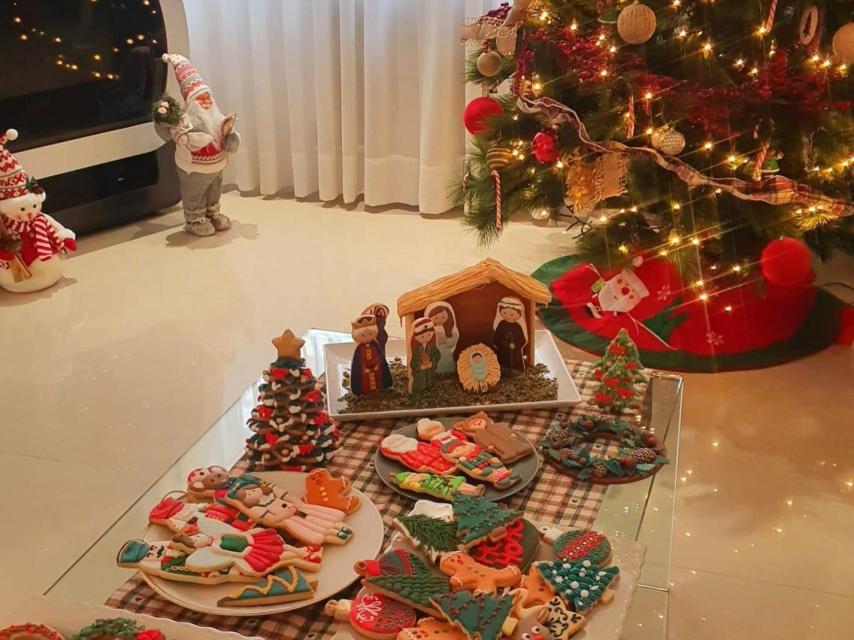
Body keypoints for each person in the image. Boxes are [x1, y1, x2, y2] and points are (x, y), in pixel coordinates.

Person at [350, 314, 392, 394]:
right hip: (364, 372)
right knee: (366, 383)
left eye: (370, 334)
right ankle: (365, 392)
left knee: (377, 380)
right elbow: (357, 363)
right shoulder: (359, 349)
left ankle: (379, 389)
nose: (367, 337)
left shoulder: (375, 345)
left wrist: (377, 364)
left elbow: (380, 357)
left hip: (376, 370)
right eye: (363, 335)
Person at [492, 296, 528, 373]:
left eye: (512, 314)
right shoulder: (501, 324)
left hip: (515, 351)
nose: (508, 316)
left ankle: (516, 370)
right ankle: (503, 369)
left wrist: (515, 345)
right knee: (503, 359)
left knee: (515, 359)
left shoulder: (517, 327)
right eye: (505, 313)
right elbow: (496, 337)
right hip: (503, 349)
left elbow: (522, 339)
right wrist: (503, 343)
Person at [425, 301, 460, 374]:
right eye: (436, 318)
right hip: (436, 352)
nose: (440, 319)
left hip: (446, 351)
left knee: (446, 361)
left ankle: (448, 372)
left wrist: (447, 341)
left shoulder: (450, 330)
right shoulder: (430, 331)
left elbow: (453, 341)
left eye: (443, 317)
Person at [409, 317, 441, 394]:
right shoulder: (417, 350)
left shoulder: (432, 347)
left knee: (431, 381)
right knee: (419, 383)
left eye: (429, 334)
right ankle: (419, 391)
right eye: (422, 336)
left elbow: (437, 356)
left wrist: (431, 363)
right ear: (416, 337)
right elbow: (413, 363)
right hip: (420, 373)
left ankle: (430, 388)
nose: (426, 337)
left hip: (430, 371)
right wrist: (420, 366)